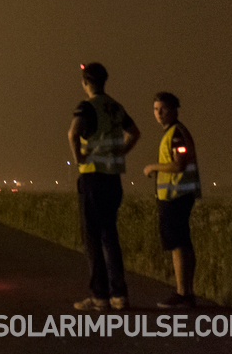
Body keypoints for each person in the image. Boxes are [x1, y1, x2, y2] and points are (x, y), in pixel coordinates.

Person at [68, 62, 140, 311]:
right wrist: (120, 152)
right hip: (113, 178)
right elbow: (135, 133)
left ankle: (100, 296)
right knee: (110, 236)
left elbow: (73, 133)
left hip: (93, 177)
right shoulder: (115, 107)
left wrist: (79, 158)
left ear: (85, 82)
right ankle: (119, 295)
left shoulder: (87, 106)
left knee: (92, 239)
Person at [142, 91, 200, 308]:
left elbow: (179, 164)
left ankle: (182, 293)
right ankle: (186, 292)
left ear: (174, 110)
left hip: (176, 196)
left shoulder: (176, 134)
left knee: (178, 245)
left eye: (163, 109)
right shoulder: (174, 132)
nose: (158, 113)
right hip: (178, 195)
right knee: (182, 243)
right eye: (155, 109)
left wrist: (153, 167)